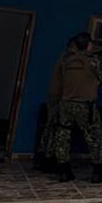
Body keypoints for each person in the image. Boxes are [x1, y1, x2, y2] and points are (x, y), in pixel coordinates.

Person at [51, 32, 102, 183]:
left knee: (63, 137)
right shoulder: (93, 61)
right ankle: (98, 172)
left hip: (65, 103)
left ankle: (64, 171)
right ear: (88, 45)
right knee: (95, 137)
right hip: (85, 105)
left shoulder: (67, 60)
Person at [33, 36, 74, 173]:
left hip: (58, 97)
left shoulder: (65, 58)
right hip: (59, 99)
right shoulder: (67, 59)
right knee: (55, 130)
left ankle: (48, 159)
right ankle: (49, 160)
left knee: (54, 129)